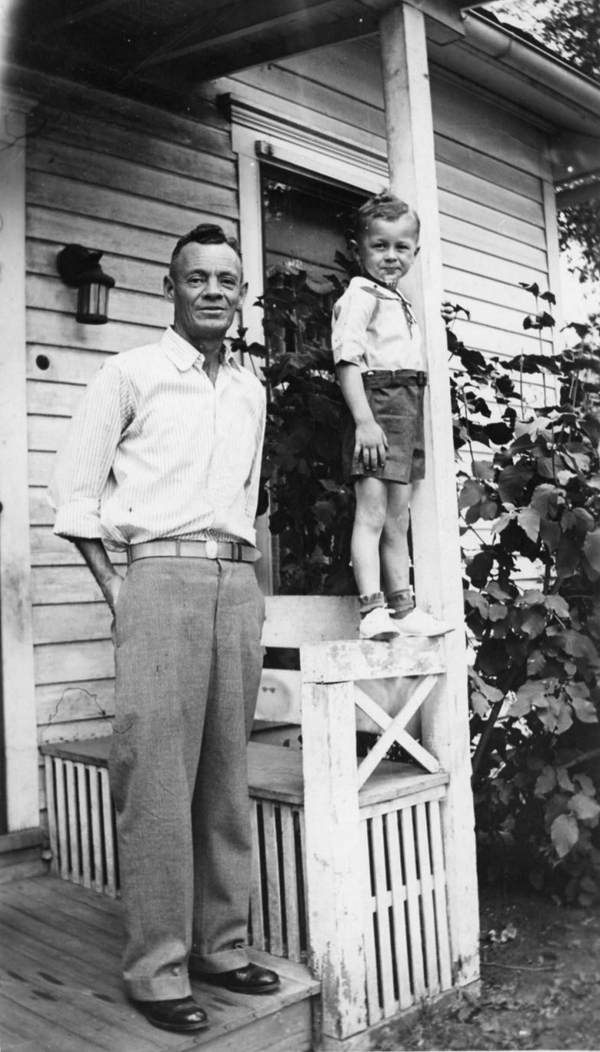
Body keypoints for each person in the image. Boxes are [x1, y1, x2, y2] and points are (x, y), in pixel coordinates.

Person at [49, 223, 279, 1035]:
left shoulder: (249, 390)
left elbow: (246, 500)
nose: (213, 291)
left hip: (234, 584)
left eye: (227, 280)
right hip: (158, 579)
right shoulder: (131, 373)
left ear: (241, 294)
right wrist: (121, 590)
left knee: (224, 775)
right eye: (197, 278)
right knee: (154, 782)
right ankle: (157, 968)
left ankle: (221, 945)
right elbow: (74, 495)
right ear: (170, 288)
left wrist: (249, 591)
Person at [332, 191, 452, 641]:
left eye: (402, 247)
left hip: (406, 406)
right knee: (372, 511)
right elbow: (347, 361)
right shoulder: (360, 294)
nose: (391, 256)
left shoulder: (398, 300)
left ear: (415, 253)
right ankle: (372, 610)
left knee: (398, 516)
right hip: (377, 406)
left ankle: (403, 608)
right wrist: (365, 421)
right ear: (358, 249)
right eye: (379, 245)